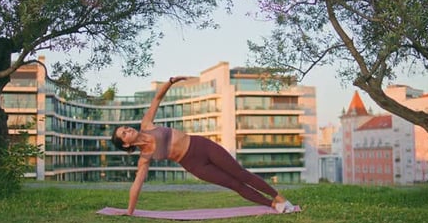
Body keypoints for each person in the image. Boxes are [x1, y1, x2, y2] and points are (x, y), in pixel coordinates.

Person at [111, 76, 299, 215]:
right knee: (234, 184)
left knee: (240, 173)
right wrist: (130, 210)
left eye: (126, 128)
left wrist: (170, 82)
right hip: (194, 165)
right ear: (126, 144)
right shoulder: (144, 158)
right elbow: (137, 184)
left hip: (201, 146)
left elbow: (157, 99)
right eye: (124, 133)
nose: (128, 130)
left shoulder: (146, 124)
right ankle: (273, 205)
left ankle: (279, 197)